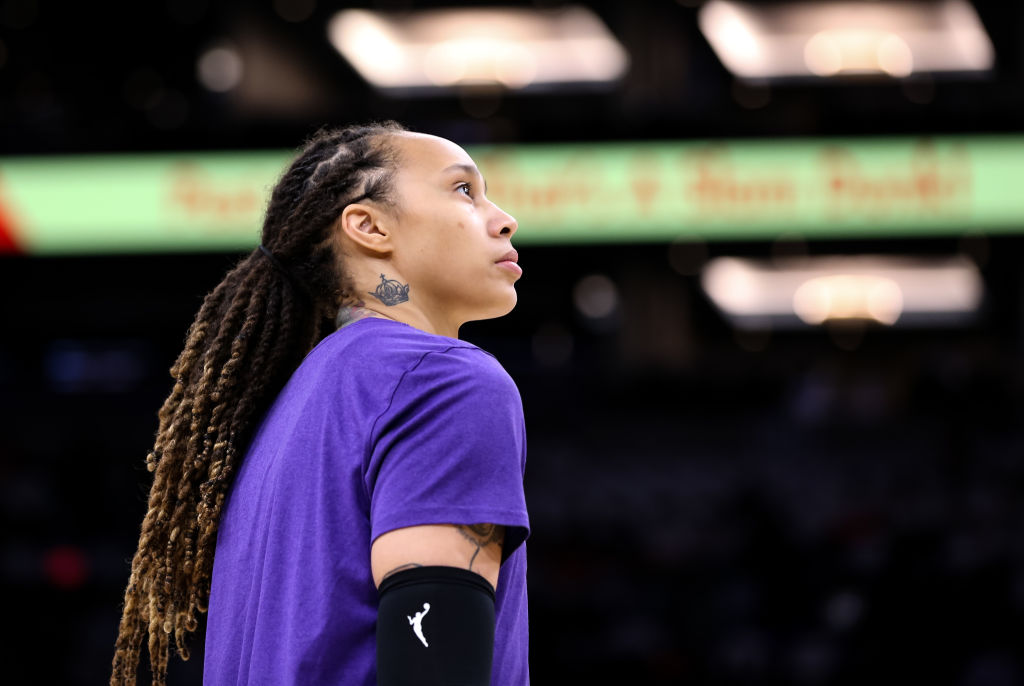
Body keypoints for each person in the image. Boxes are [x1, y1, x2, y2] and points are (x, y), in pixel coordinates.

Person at [110, 121, 530, 686]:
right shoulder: (444, 381)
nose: (504, 219)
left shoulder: (284, 410)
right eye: (463, 190)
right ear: (369, 226)